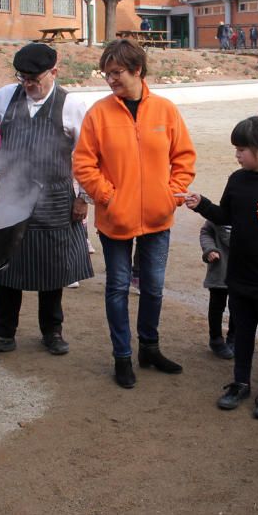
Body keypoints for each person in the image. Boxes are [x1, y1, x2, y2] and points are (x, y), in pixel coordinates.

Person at [73, 39, 196, 388]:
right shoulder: (99, 113)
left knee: (154, 288)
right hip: (116, 219)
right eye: (106, 73)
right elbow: (83, 162)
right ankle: (122, 356)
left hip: (158, 217)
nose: (110, 79)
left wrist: (172, 193)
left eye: (116, 72)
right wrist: (105, 195)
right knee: (117, 288)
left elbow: (183, 157)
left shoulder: (166, 110)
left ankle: (150, 348)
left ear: (137, 70)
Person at [0, 43, 94, 358]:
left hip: (56, 195)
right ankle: (3, 333)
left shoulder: (72, 105)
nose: (29, 85)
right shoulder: (7, 96)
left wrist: (84, 198)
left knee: (53, 265)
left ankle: (52, 331)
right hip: (13, 192)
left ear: (54, 73)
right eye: (24, 78)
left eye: (34, 79)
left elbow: (90, 154)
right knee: (8, 264)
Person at [182, 102, 258, 419]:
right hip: (238, 272)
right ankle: (240, 383)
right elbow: (225, 216)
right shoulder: (237, 180)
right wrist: (202, 204)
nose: (237, 155)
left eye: (242, 149)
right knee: (241, 332)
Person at [199, 220, 234, 359]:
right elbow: (206, 231)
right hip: (220, 268)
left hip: (243, 269)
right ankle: (216, 339)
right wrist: (210, 249)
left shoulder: (250, 209)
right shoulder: (218, 213)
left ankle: (234, 337)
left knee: (238, 306)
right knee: (216, 305)